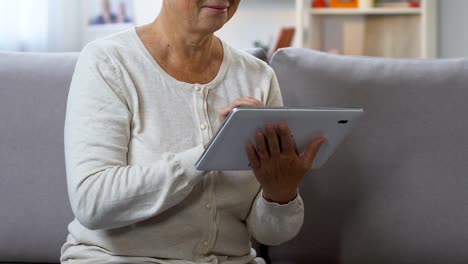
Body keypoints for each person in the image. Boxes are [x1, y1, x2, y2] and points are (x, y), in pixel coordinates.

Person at [61, 0, 325, 263]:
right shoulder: (108, 62)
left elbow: (271, 234)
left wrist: (280, 193)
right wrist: (208, 151)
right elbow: (92, 202)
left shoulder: (258, 77)